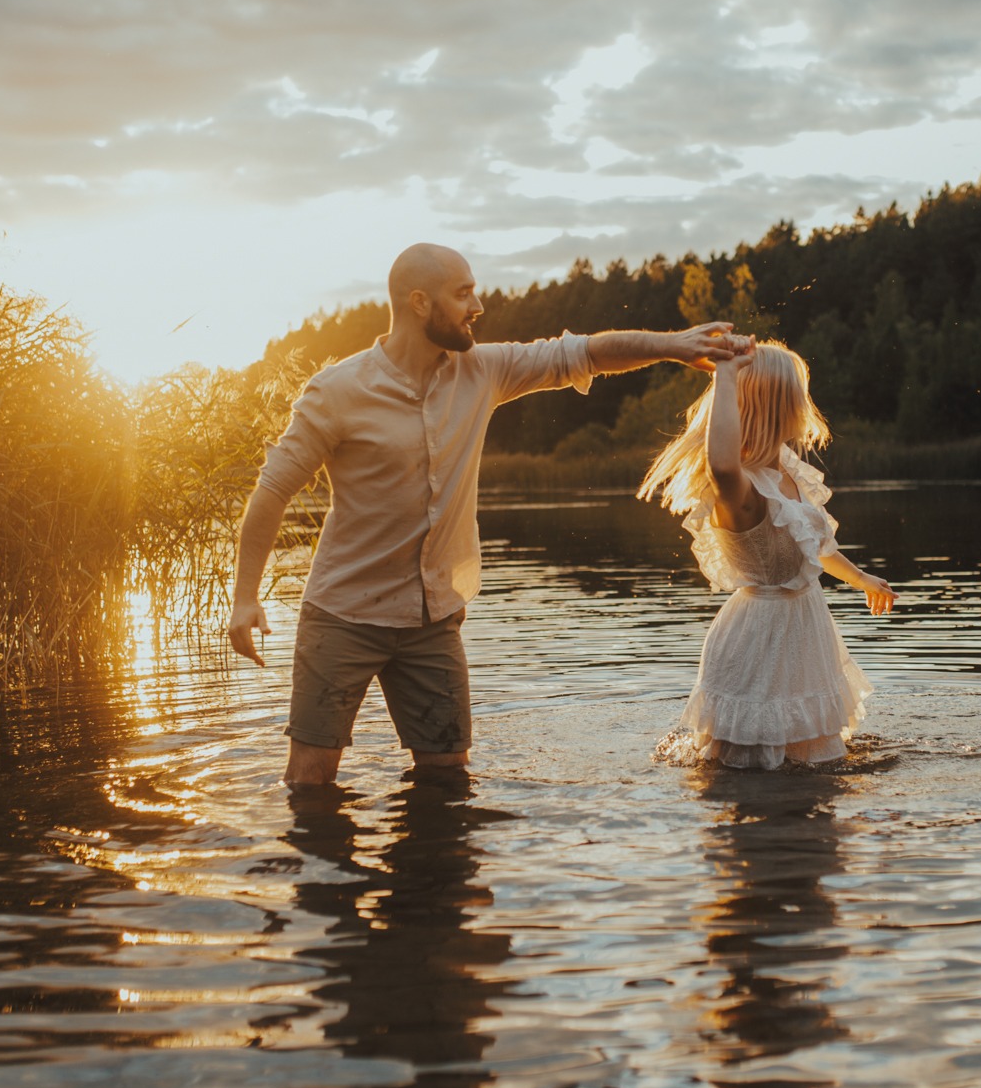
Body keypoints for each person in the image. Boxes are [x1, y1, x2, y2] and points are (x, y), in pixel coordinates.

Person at [228, 242, 745, 785]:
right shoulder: (338, 391)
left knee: (448, 776)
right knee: (310, 779)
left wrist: (674, 347)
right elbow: (272, 490)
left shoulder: (483, 370)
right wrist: (245, 597)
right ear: (420, 303)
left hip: (432, 620)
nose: (477, 306)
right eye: (464, 294)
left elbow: (585, 352)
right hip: (343, 616)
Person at [639, 340, 894, 768]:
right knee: (746, 763)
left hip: (805, 627)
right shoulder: (742, 489)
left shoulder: (787, 472)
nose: (805, 402)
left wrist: (862, 579)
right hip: (761, 637)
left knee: (815, 763)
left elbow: (815, 549)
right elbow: (721, 464)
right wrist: (724, 374)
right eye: (799, 392)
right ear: (778, 403)